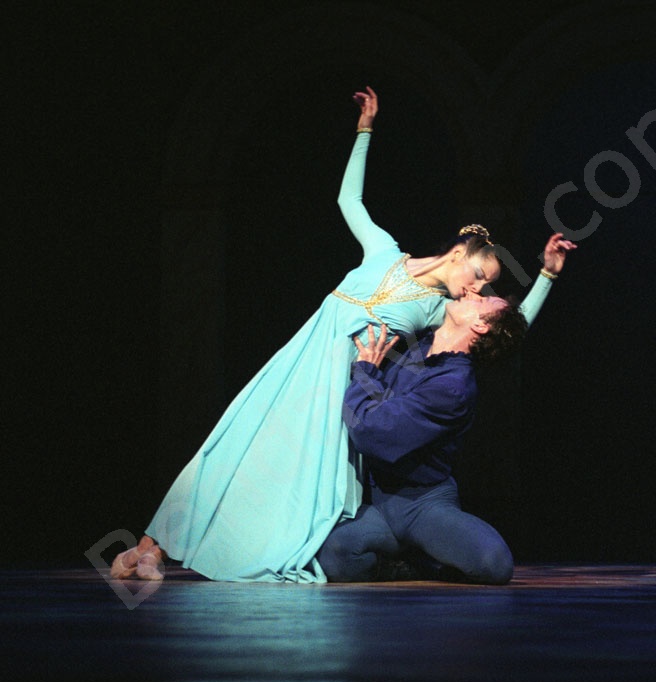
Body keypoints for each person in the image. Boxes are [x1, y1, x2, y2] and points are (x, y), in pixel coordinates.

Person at [111, 86, 575, 583]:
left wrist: (546, 276)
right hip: (297, 366)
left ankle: (237, 551)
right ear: (460, 255)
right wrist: (364, 130)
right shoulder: (383, 252)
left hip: (341, 397)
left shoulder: (436, 311)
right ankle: (149, 549)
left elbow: (506, 327)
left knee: (291, 486)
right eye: (481, 278)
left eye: (484, 289)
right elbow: (347, 199)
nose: (477, 290)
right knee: (232, 444)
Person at [317, 290, 544, 585]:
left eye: (483, 300)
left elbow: (371, 432)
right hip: (380, 503)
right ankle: (408, 565)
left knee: (494, 564)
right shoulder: (417, 345)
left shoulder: (452, 387)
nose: (473, 292)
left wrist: (364, 371)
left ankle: (428, 560)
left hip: (423, 504)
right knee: (334, 556)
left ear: (481, 325)